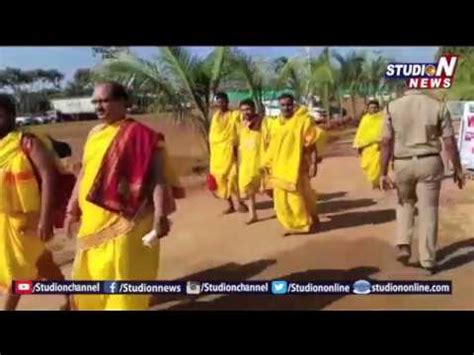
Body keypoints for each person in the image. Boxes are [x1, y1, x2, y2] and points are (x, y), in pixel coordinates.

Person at [64, 82, 184, 310]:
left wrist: (160, 215)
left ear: (123, 102)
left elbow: (158, 178)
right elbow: (84, 174)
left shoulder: (144, 136)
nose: (99, 106)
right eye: (96, 101)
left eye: (105, 101)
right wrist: (71, 208)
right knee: (93, 277)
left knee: (123, 277)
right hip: (92, 222)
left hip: (129, 221)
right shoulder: (94, 134)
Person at [380, 89, 465, 275]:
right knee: (429, 210)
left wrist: (382, 172)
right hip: (430, 161)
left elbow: (386, 142)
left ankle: (403, 241)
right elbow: (449, 141)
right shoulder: (437, 106)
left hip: (402, 163)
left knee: (404, 202)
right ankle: (428, 260)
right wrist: (457, 169)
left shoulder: (392, 107)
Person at [0, 94, 69, 310]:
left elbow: (49, 175)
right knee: (42, 262)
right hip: (4, 219)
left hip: (28, 221)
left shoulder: (26, 142)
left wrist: (46, 218)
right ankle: (72, 297)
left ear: (11, 116)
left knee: (17, 273)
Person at [264, 94, 320, 236]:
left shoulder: (303, 122)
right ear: (279, 106)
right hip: (278, 168)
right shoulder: (274, 124)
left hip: (297, 167)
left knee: (299, 196)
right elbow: (271, 146)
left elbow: (311, 144)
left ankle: (303, 223)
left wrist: (314, 163)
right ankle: (294, 224)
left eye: (289, 104)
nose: (286, 108)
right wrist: (267, 165)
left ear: (294, 105)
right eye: (282, 105)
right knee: (281, 201)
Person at [209, 92, 248, 214]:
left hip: (230, 152)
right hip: (217, 155)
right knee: (221, 180)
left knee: (233, 178)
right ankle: (230, 205)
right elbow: (213, 136)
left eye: (223, 101)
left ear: (227, 101)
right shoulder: (215, 117)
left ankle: (240, 203)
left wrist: (236, 148)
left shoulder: (234, 115)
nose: (220, 103)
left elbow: (239, 130)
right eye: (218, 101)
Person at [237, 99, 271, 224]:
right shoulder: (241, 124)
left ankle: (282, 209)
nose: (246, 112)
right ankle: (253, 214)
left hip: (261, 159)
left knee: (269, 187)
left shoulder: (262, 122)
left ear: (254, 109)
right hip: (246, 161)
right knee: (248, 188)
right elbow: (240, 143)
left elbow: (268, 138)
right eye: (243, 110)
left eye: (248, 109)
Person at [353, 100, 384, 188]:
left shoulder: (382, 118)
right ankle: (375, 182)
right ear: (368, 109)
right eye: (371, 108)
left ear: (378, 108)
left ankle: (379, 182)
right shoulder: (365, 119)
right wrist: (358, 147)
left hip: (379, 147)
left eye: (375, 108)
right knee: (367, 166)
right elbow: (360, 133)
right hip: (367, 148)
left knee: (378, 166)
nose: (373, 110)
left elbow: (385, 132)